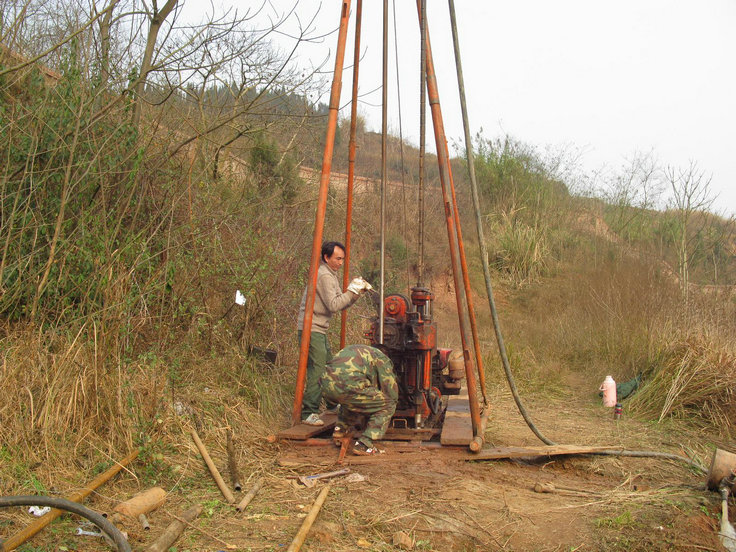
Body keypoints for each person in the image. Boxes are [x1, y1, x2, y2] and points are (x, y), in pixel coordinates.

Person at [297, 241, 371, 426]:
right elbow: (334, 304)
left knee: (330, 366)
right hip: (311, 328)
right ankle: (308, 412)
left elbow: (341, 301)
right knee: (318, 368)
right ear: (326, 257)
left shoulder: (331, 274)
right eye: (337, 259)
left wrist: (355, 293)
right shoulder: (324, 276)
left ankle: (331, 405)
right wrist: (352, 291)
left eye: (342, 259)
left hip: (319, 328)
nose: (340, 263)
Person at [319, 344, 397, 456]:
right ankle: (365, 444)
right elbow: (389, 387)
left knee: (352, 400)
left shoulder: (355, 350)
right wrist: (393, 402)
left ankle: (340, 430)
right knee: (388, 404)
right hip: (349, 386)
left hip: (325, 387)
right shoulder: (381, 357)